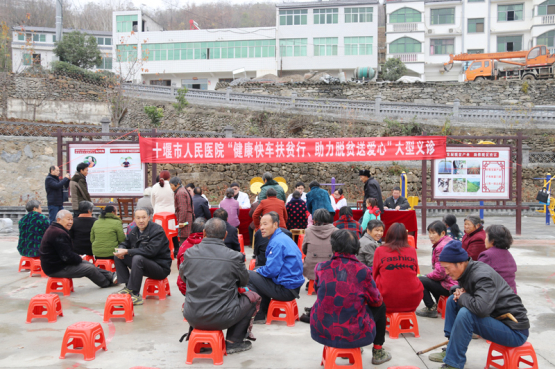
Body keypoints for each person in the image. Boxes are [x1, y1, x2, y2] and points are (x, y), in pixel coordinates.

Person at [428, 241, 529, 369]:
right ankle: (451, 350)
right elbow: (464, 291)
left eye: (447, 268)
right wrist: (457, 291)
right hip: (497, 320)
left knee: (466, 314)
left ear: (459, 263)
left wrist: (463, 296)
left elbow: (481, 309)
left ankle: (453, 363)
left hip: (514, 330)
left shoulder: (481, 275)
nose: (446, 272)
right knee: (452, 301)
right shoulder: (468, 270)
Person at [310, 230, 392, 365]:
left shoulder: (321, 267)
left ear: (333, 246)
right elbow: (375, 300)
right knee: (381, 307)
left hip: (322, 328)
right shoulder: (363, 270)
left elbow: (318, 291)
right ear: (356, 247)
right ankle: (378, 351)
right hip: (352, 333)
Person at [180, 217, 261, 354]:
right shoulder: (234, 257)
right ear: (225, 235)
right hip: (222, 318)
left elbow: (184, 277)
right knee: (253, 297)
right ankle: (233, 341)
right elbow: (244, 282)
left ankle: (197, 334)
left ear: (204, 233)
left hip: (191, 315)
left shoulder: (189, 253)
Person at [247, 212, 304, 323]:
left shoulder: (276, 242)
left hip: (286, 290)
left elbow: (271, 271)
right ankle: (264, 310)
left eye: (265, 224)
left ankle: (258, 315)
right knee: (257, 271)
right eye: (261, 225)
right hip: (292, 286)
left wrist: (257, 271)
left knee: (248, 275)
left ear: (275, 225)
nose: (261, 228)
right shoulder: (282, 237)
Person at [40, 210, 117, 288]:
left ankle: (111, 276)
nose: (70, 222)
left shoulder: (55, 229)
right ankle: (107, 283)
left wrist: (78, 258)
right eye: (68, 219)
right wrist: (78, 258)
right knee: (89, 269)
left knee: (87, 263)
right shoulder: (59, 233)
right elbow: (67, 257)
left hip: (59, 264)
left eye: (71, 219)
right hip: (56, 268)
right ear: (59, 220)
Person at [113, 208, 172, 305]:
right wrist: (120, 249)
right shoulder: (134, 231)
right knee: (118, 256)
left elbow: (151, 251)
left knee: (137, 257)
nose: (141, 221)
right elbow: (125, 243)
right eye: (138, 218)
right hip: (143, 264)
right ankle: (128, 287)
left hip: (160, 268)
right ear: (134, 219)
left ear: (149, 218)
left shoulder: (157, 231)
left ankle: (135, 294)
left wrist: (127, 251)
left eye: (144, 217)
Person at [373, 223, 422, 313]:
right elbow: (414, 272)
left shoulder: (380, 250)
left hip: (385, 301)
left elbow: (374, 274)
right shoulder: (411, 250)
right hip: (412, 301)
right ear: (405, 236)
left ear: (388, 235)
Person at [300, 209, 336, 323]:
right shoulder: (336, 231)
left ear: (314, 220)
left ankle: (314, 301)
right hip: (331, 268)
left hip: (312, 268)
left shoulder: (308, 231)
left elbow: (304, 249)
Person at [416, 221, 456, 318]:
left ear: (442, 233)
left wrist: (425, 276)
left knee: (419, 280)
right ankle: (439, 304)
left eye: (433, 233)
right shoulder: (449, 241)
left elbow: (440, 274)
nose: (430, 236)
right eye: (429, 233)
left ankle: (431, 308)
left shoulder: (441, 247)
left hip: (449, 285)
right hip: (454, 283)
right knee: (428, 280)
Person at [478, 225, 517, 294]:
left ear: (492, 240)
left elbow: (475, 276)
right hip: (511, 296)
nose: (485, 239)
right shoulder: (508, 254)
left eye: (486, 237)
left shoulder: (487, 255)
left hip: (496, 297)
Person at [176, 217, 206, 295]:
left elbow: (179, 268)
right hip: (208, 289)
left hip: (186, 288)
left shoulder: (184, 245)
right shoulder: (211, 245)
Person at [170, 177, 193, 255]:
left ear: (178, 184)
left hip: (185, 220)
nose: (171, 187)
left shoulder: (180, 193)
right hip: (187, 218)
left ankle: (184, 258)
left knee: (184, 240)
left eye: (172, 185)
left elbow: (182, 209)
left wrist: (181, 222)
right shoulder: (183, 190)